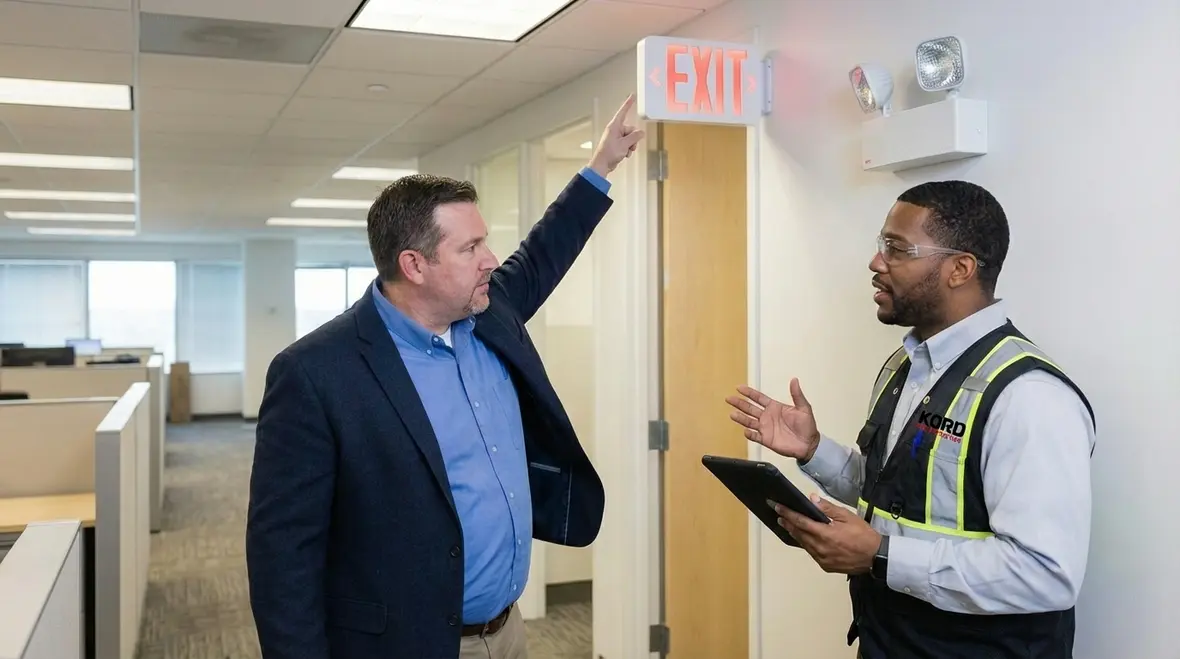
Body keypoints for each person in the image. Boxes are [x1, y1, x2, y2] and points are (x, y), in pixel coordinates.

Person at [246, 96, 645, 659]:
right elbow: (282, 554)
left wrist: (599, 166)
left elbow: (543, 252)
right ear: (414, 265)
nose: (491, 258)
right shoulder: (316, 373)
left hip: (506, 634)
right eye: (471, 247)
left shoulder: (490, 312)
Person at [726, 181, 1096, 659]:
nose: (876, 263)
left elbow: (1047, 574)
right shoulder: (905, 368)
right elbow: (904, 496)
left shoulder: (1028, 397)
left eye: (897, 249)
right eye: (882, 245)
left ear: (960, 269)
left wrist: (879, 555)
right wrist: (816, 451)